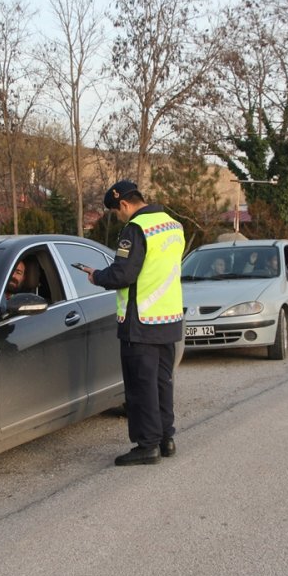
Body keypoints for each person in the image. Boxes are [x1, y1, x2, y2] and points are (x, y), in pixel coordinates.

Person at [83, 180, 185, 466]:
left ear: (124, 204)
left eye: (117, 212)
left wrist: (97, 276)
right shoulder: (173, 226)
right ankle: (166, 438)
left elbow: (123, 274)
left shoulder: (136, 229)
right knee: (162, 383)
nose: (119, 217)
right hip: (169, 318)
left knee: (141, 387)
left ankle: (147, 445)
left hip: (140, 321)